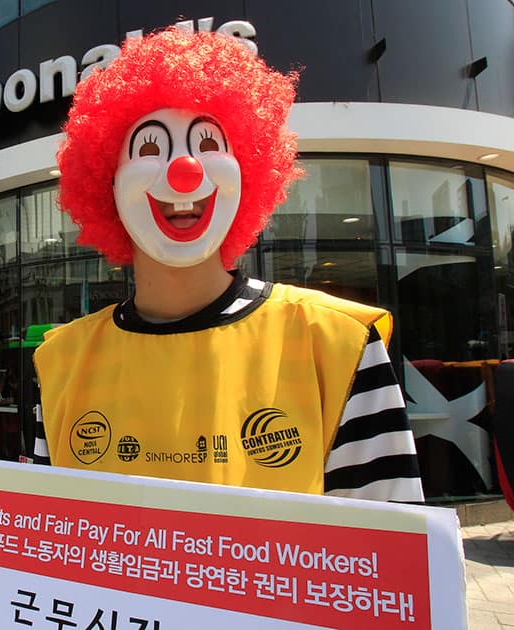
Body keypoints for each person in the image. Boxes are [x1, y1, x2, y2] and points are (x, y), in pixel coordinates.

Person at [33, 30, 424, 503]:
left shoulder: (338, 345)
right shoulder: (61, 364)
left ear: (248, 170)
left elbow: (388, 563)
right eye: (151, 149)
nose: (185, 170)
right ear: (106, 184)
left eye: (207, 144)